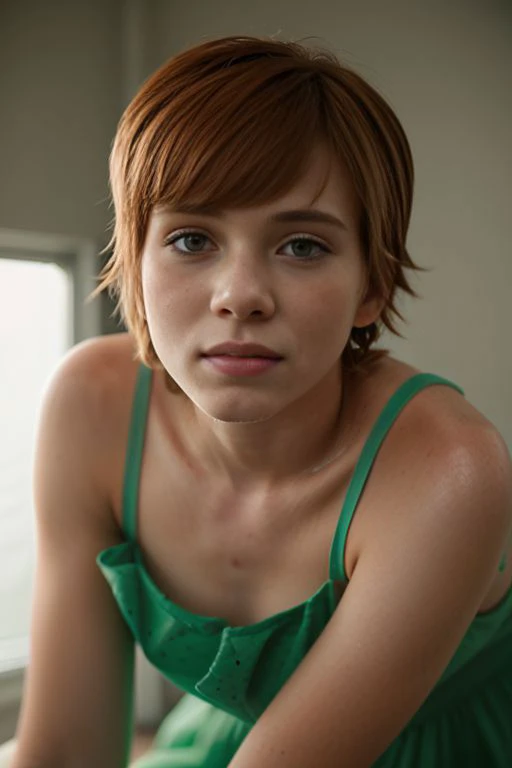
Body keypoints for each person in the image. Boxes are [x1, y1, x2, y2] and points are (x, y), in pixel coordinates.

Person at [10, 35, 512, 768]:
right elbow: (64, 749)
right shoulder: (93, 406)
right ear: (134, 263)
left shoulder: (447, 467)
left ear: (372, 285)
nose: (240, 296)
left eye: (302, 246)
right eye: (190, 239)